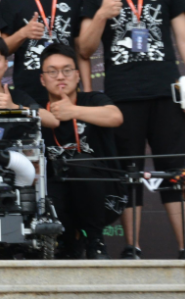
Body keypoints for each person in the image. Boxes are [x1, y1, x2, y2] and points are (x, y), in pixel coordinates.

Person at [77, 0, 185, 260]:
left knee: (173, 171)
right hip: (122, 97)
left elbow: (184, 39)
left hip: (167, 93)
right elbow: (84, 50)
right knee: (128, 174)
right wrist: (102, 14)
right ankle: (132, 247)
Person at [37, 43, 123, 259]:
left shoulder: (93, 100)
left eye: (66, 70)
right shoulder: (40, 111)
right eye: (52, 71)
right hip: (60, 195)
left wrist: (73, 111)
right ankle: (68, 242)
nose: (60, 76)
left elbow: (115, 117)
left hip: (103, 194)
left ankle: (95, 240)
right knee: (45, 186)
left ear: (77, 75)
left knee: (80, 164)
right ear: (42, 79)